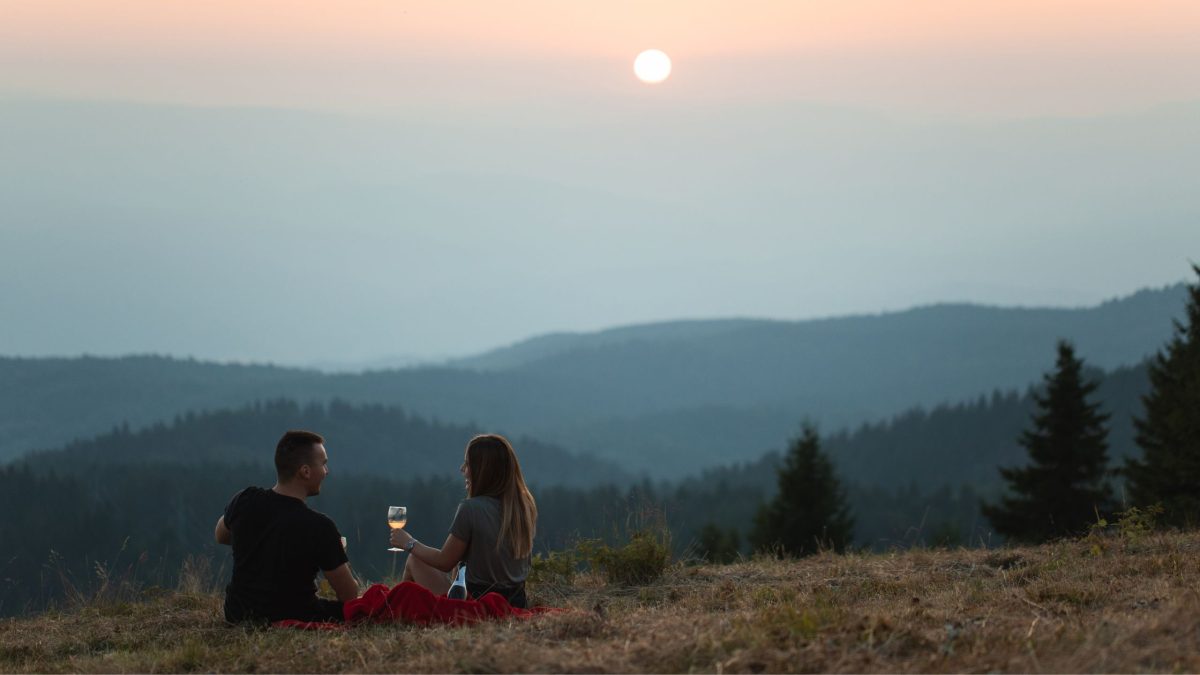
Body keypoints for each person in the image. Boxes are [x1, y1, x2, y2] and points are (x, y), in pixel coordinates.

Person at [214, 430, 359, 624]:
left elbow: (221, 535)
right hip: (294, 614)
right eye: (323, 464)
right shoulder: (319, 527)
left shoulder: (245, 500)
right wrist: (334, 552)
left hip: (237, 613)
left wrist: (260, 541)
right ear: (305, 471)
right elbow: (349, 595)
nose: (327, 471)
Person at [389, 434, 537, 608]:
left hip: (476, 602)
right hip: (516, 602)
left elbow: (445, 561)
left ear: (482, 470)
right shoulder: (524, 507)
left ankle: (394, 609)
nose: (462, 469)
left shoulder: (471, 509)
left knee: (415, 561)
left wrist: (409, 543)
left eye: (467, 464)